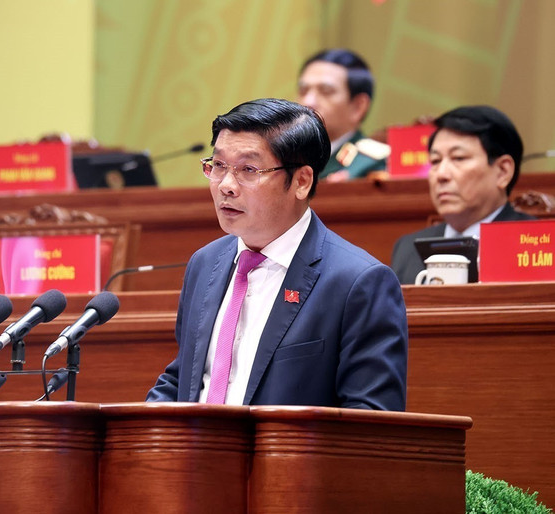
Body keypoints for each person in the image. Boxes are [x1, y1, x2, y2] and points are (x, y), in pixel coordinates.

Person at [146, 98, 408, 410]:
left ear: (301, 181)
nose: (226, 185)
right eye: (217, 166)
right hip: (196, 455)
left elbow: (373, 420)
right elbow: (185, 379)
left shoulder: (358, 283)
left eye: (248, 169)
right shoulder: (205, 263)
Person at [391, 105, 536, 284]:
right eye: (435, 161)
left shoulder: (535, 245)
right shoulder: (407, 248)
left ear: (502, 171)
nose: (442, 174)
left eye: (458, 158)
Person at [296, 48, 389, 181]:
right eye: (303, 90)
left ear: (358, 106)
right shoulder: (286, 159)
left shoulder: (374, 162)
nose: (308, 101)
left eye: (326, 91)